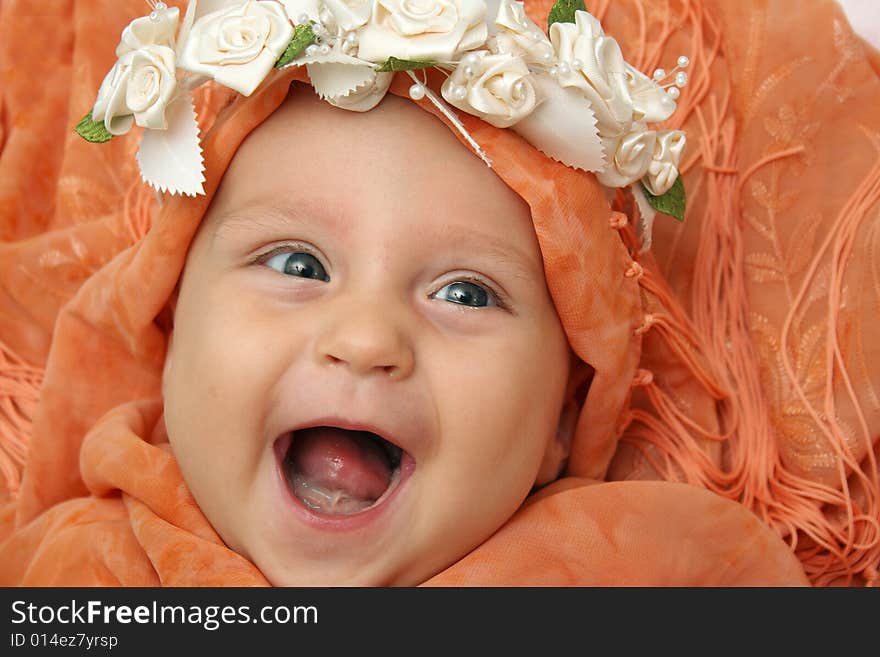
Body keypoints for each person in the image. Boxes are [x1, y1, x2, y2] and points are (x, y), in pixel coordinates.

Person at [0, 0, 876, 586]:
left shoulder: (656, 566)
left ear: (563, 424)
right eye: (299, 266)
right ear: (170, 327)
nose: (368, 334)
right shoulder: (80, 573)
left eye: (465, 292)